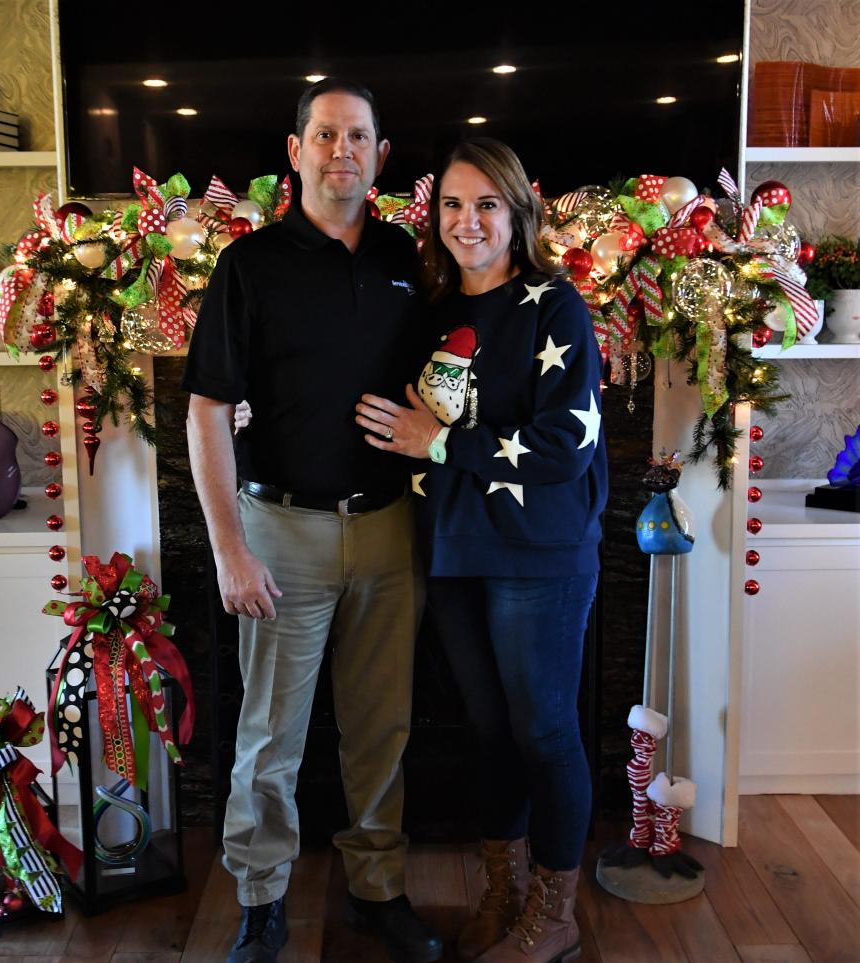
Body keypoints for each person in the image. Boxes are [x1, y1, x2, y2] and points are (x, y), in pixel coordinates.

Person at [183, 79, 442, 963]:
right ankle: (260, 901)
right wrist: (228, 549)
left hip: (387, 529)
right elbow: (207, 412)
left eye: (359, 136)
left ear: (380, 157)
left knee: (383, 726)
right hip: (281, 532)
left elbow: (451, 381)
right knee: (269, 735)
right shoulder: (248, 267)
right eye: (325, 135)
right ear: (294, 152)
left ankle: (377, 887)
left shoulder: (411, 258)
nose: (343, 151)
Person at [355, 137, 607, 963]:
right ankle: (502, 890)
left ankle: (555, 912)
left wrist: (440, 443)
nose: (468, 222)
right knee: (490, 732)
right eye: (453, 205)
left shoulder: (553, 306)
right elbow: (395, 416)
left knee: (544, 731)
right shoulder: (430, 314)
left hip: (539, 553)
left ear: (517, 213)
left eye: (486, 204)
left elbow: (562, 446)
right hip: (454, 549)